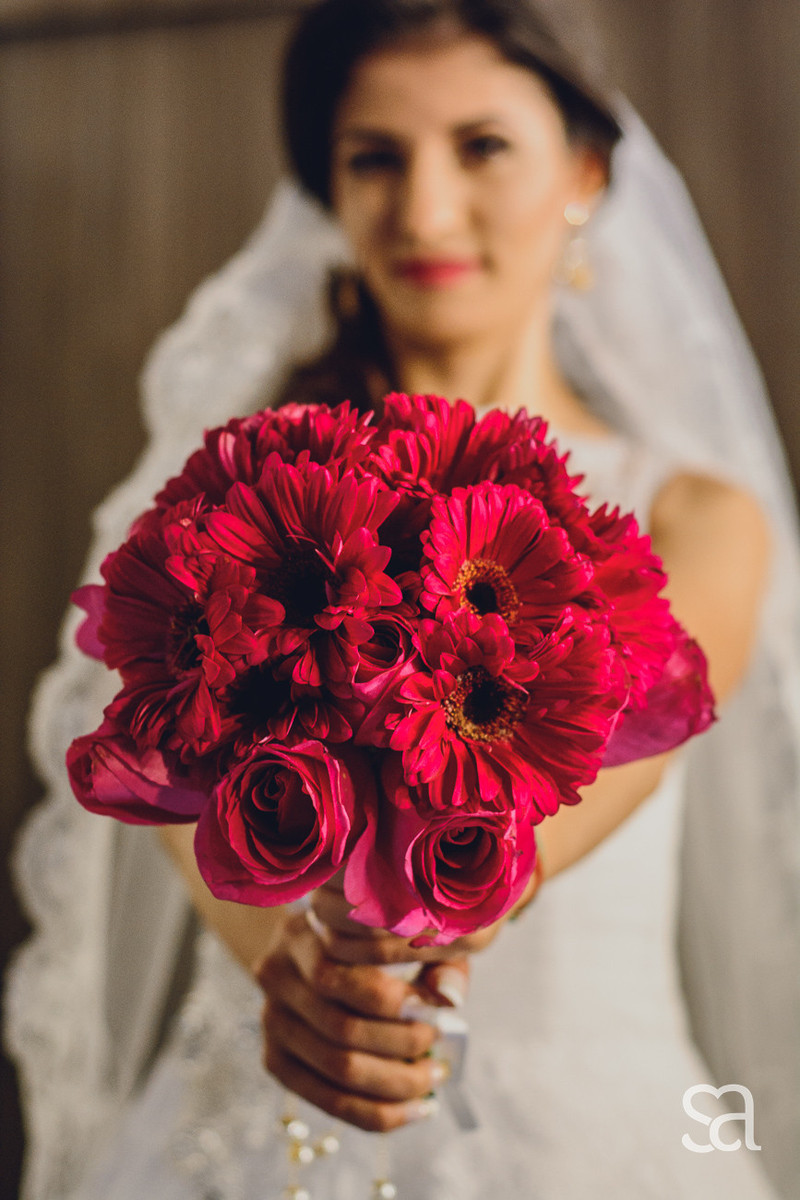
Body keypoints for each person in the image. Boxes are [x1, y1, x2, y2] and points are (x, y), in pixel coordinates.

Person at [6, 1, 799, 1197]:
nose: (423, 212)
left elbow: (629, 729)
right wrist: (292, 965)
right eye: (374, 159)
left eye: (481, 147)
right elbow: (165, 767)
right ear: (327, 193)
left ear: (583, 175)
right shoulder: (233, 501)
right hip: (256, 1100)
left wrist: (458, 891)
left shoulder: (689, 516)